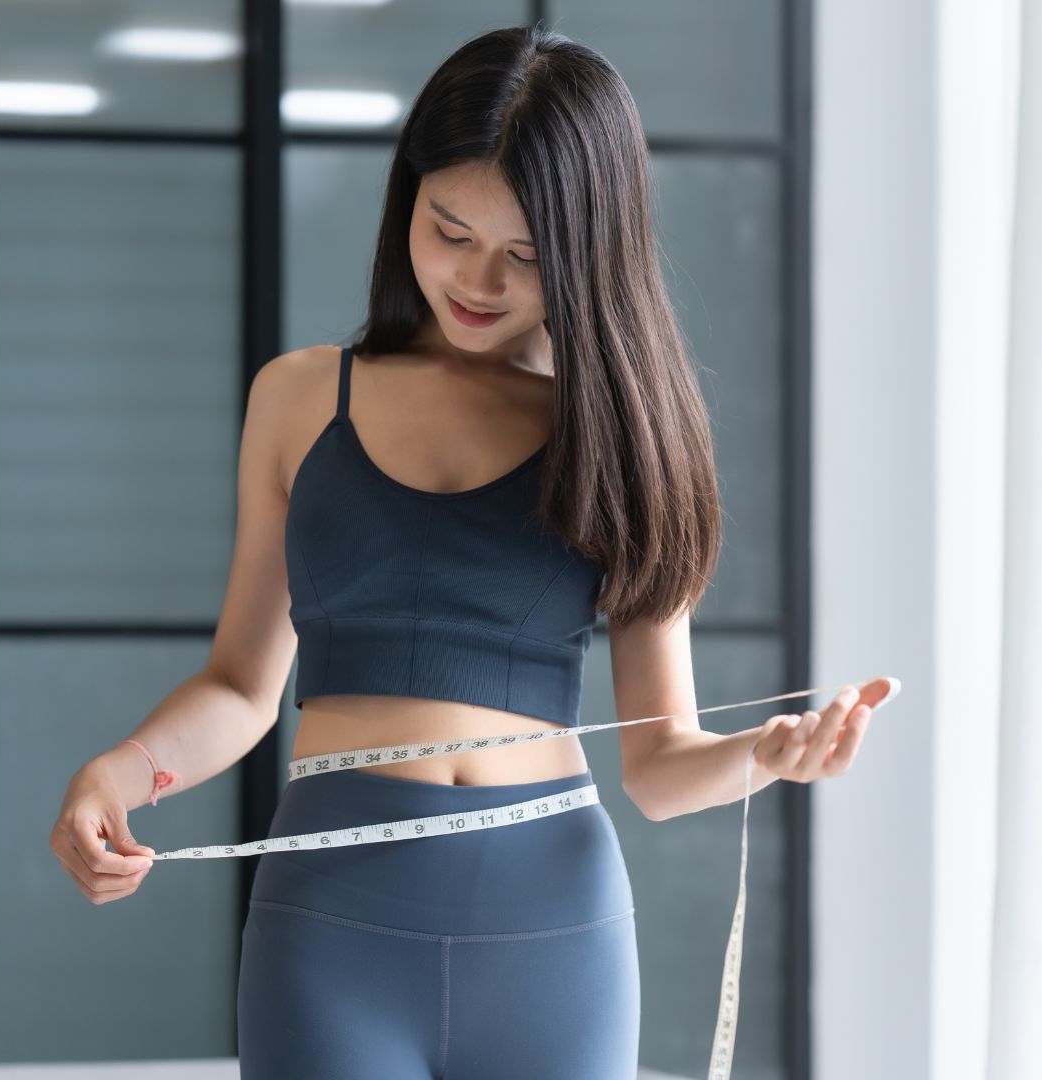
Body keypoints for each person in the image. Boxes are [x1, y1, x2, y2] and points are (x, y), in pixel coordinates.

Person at [47, 24, 892, 1079]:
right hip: (332, 929)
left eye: (528, 255)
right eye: (450, 230)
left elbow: (664, 770)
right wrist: (119, 772)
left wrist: (766, 756)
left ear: (591, 252)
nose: (479, 280)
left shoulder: (625, 431)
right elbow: (240, 684)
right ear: (408, 199)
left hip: (556, 930)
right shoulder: (300, 399)